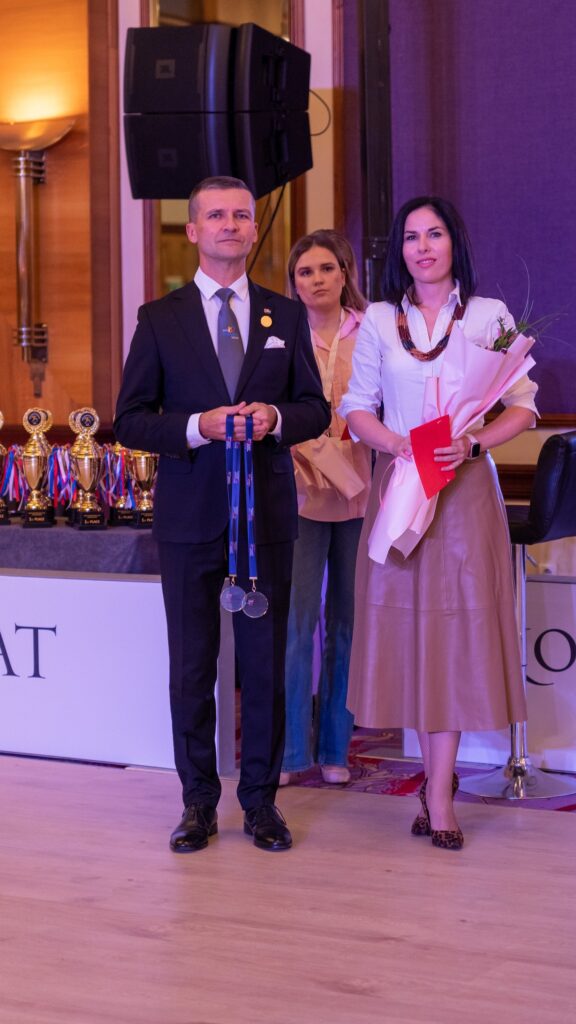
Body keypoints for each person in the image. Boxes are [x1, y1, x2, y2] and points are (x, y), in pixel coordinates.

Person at [114, 176, 330, 853]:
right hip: (189, 518)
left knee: (264, 667)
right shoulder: (160, 317)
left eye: (240, 215)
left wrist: (274, 418)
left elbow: (315, 410)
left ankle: (260, 804)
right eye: (216, 216)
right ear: (193, 231)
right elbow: (130, 420)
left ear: (252, 229)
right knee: (191, 668)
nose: (230, 225)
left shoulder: (285, 315)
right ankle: (198, 803)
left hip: (266, 518)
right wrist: (197, 426)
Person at [339, 195, 538, 850]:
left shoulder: (490, 315)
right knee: (411, 634)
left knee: (453, 632)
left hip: (464, 490)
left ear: (455, 242)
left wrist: (474, 442)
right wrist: (395, 444)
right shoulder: (377, 319)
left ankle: (441, 795)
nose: (422, 247)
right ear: (398, 250)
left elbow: (524, 405)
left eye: (434, 234)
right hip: (400, 486)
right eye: (410, 237)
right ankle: (433, 783)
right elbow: (356, 407)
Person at [280, 230, 371, 786]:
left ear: (344, 273)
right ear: (294, 283)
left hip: (362, 491)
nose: (316, 280)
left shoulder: (374, 330)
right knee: (296, 624)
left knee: (347, 623)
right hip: (300, 490)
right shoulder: (281, 333)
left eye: (326, 269)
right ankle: (292, 751)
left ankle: (336, 748)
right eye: (305, 272)